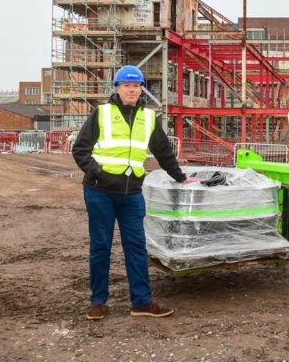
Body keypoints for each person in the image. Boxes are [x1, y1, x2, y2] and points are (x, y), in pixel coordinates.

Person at [72, 65, 197, 320]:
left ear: (142, 89)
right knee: (100, 247)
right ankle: (97, 302)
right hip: (100, 192)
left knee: (137, 248)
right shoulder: (102, 113)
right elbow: (80, 149)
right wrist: (95, 172)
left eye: (136, 85)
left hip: (131, 195)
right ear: (117, 88)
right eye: (127, 85)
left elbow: (163, 151)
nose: (132, 89)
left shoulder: (148, 117)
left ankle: (141, 302)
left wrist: (181, 177)